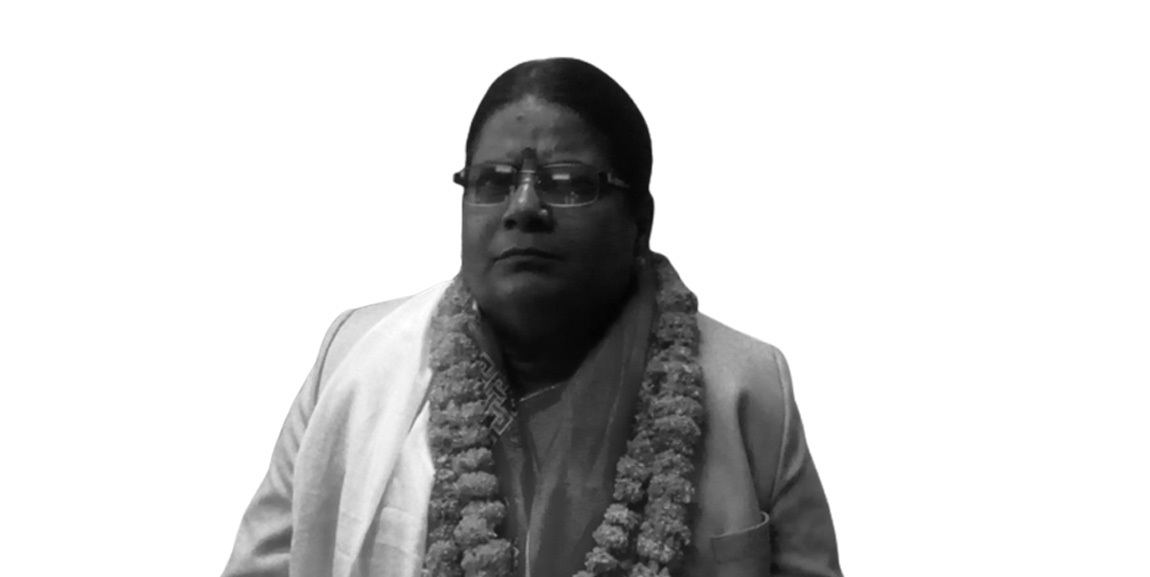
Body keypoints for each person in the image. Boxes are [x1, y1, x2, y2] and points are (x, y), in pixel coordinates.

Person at [222, 57, 841, 577]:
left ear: (640, 221)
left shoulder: (748, 388)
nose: (522, 206)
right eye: (492, 181)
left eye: (566, 182)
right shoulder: (355, 362)